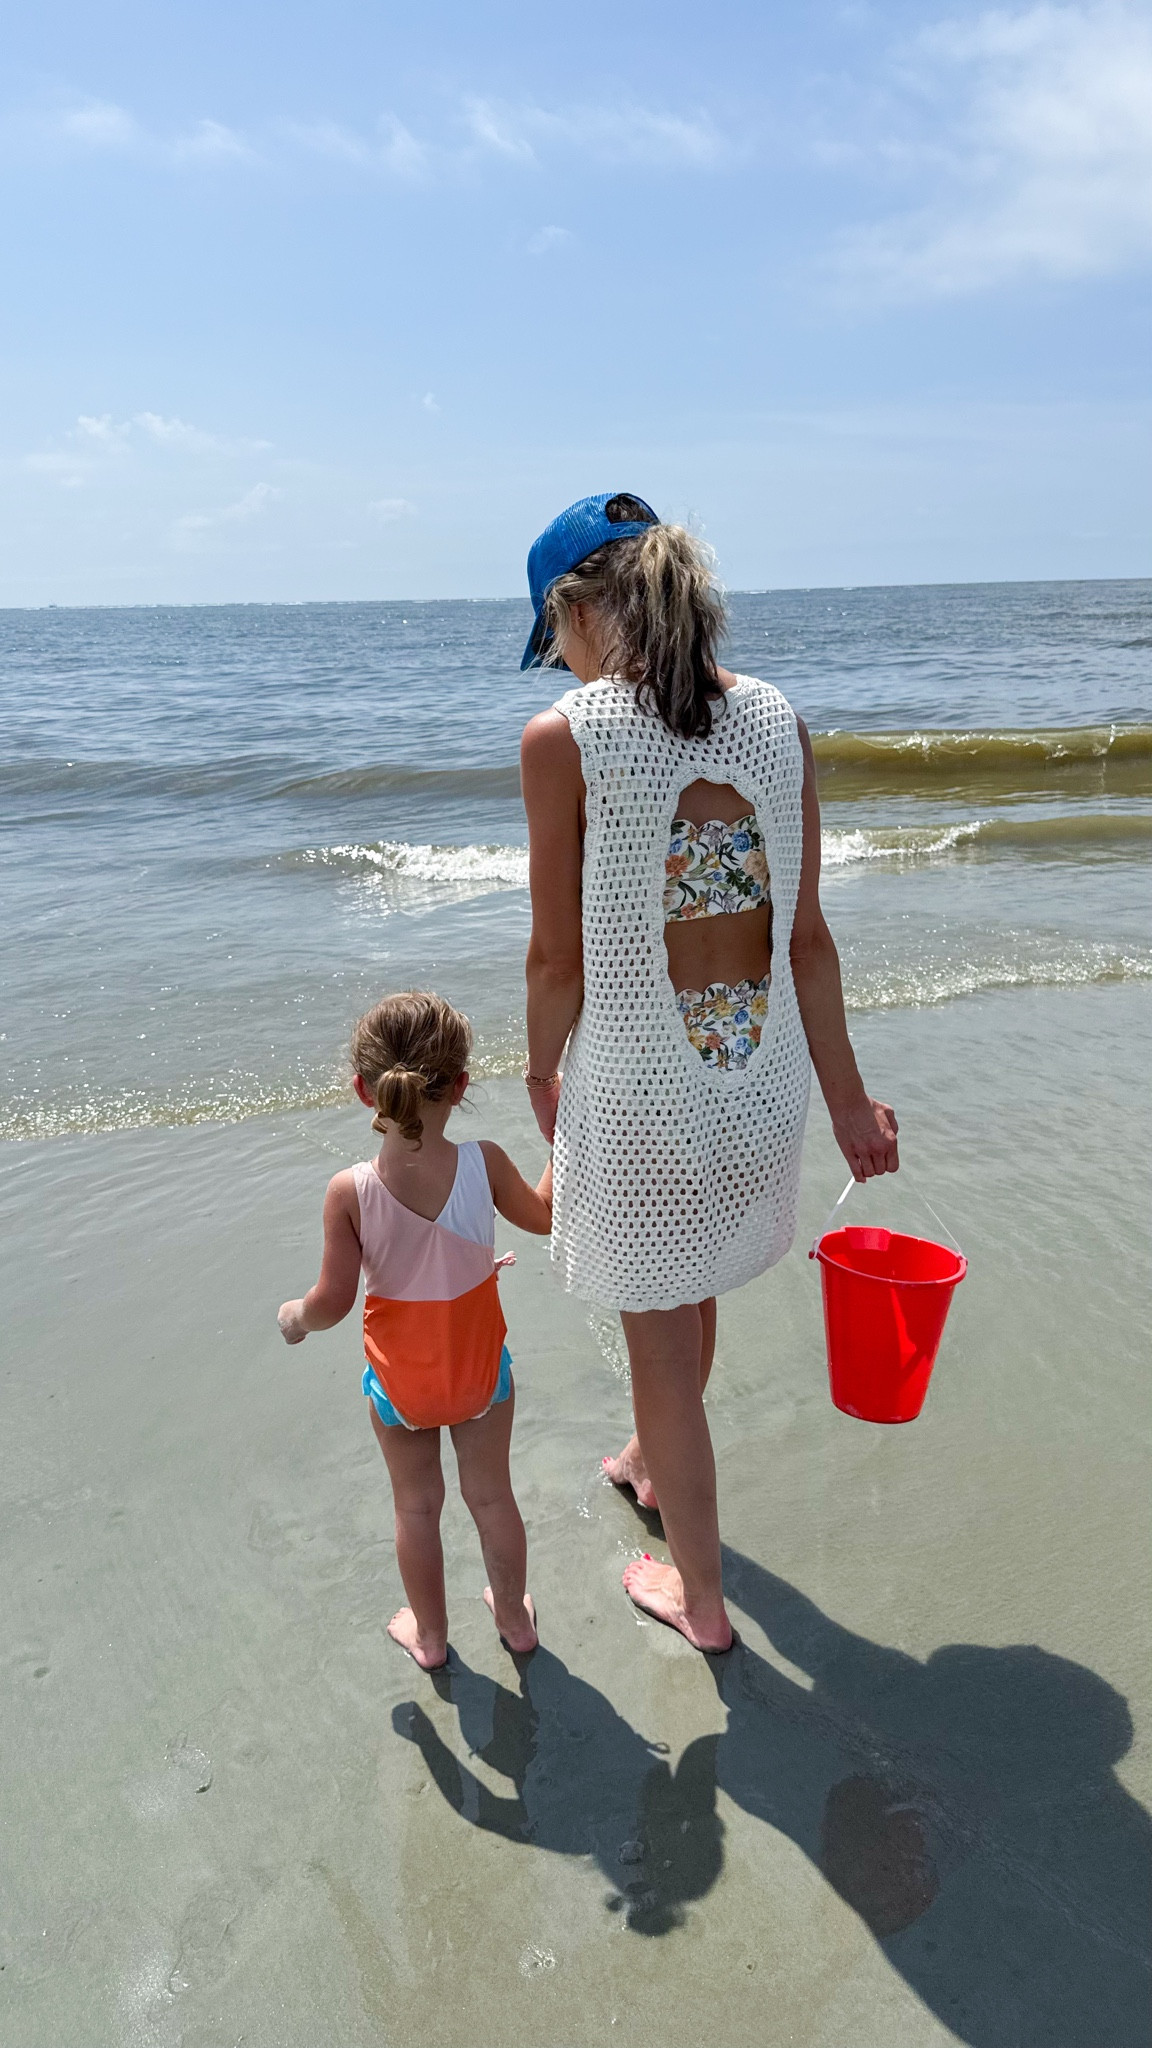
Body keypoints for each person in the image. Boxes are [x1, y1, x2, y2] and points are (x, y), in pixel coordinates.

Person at [519, 493, 899, 1654]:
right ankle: (648, 1458)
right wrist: (846, 1102)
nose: (563, 659)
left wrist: (540, 1068)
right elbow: (809, 939)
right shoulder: (777, 718)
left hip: (641, 1090)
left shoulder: (566, 735)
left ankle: (702, 1598)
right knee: (692, 1289)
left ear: (579, 610)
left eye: (558, 635)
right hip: (757, 1080)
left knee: (657, 1337)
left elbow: (556, 953)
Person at [277, 990, 553, 1671]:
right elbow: (545, 1217)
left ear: (362, 1089)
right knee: (491, 1496)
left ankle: (431, 1639)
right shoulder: (484, 1164)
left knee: (416, 1509)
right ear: (461, 1084)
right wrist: (565, 1138)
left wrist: (295, 1318)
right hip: (480, 1375)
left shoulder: (350, 1191)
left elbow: (333, 1302)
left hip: (402, 1387)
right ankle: (515, 1621)